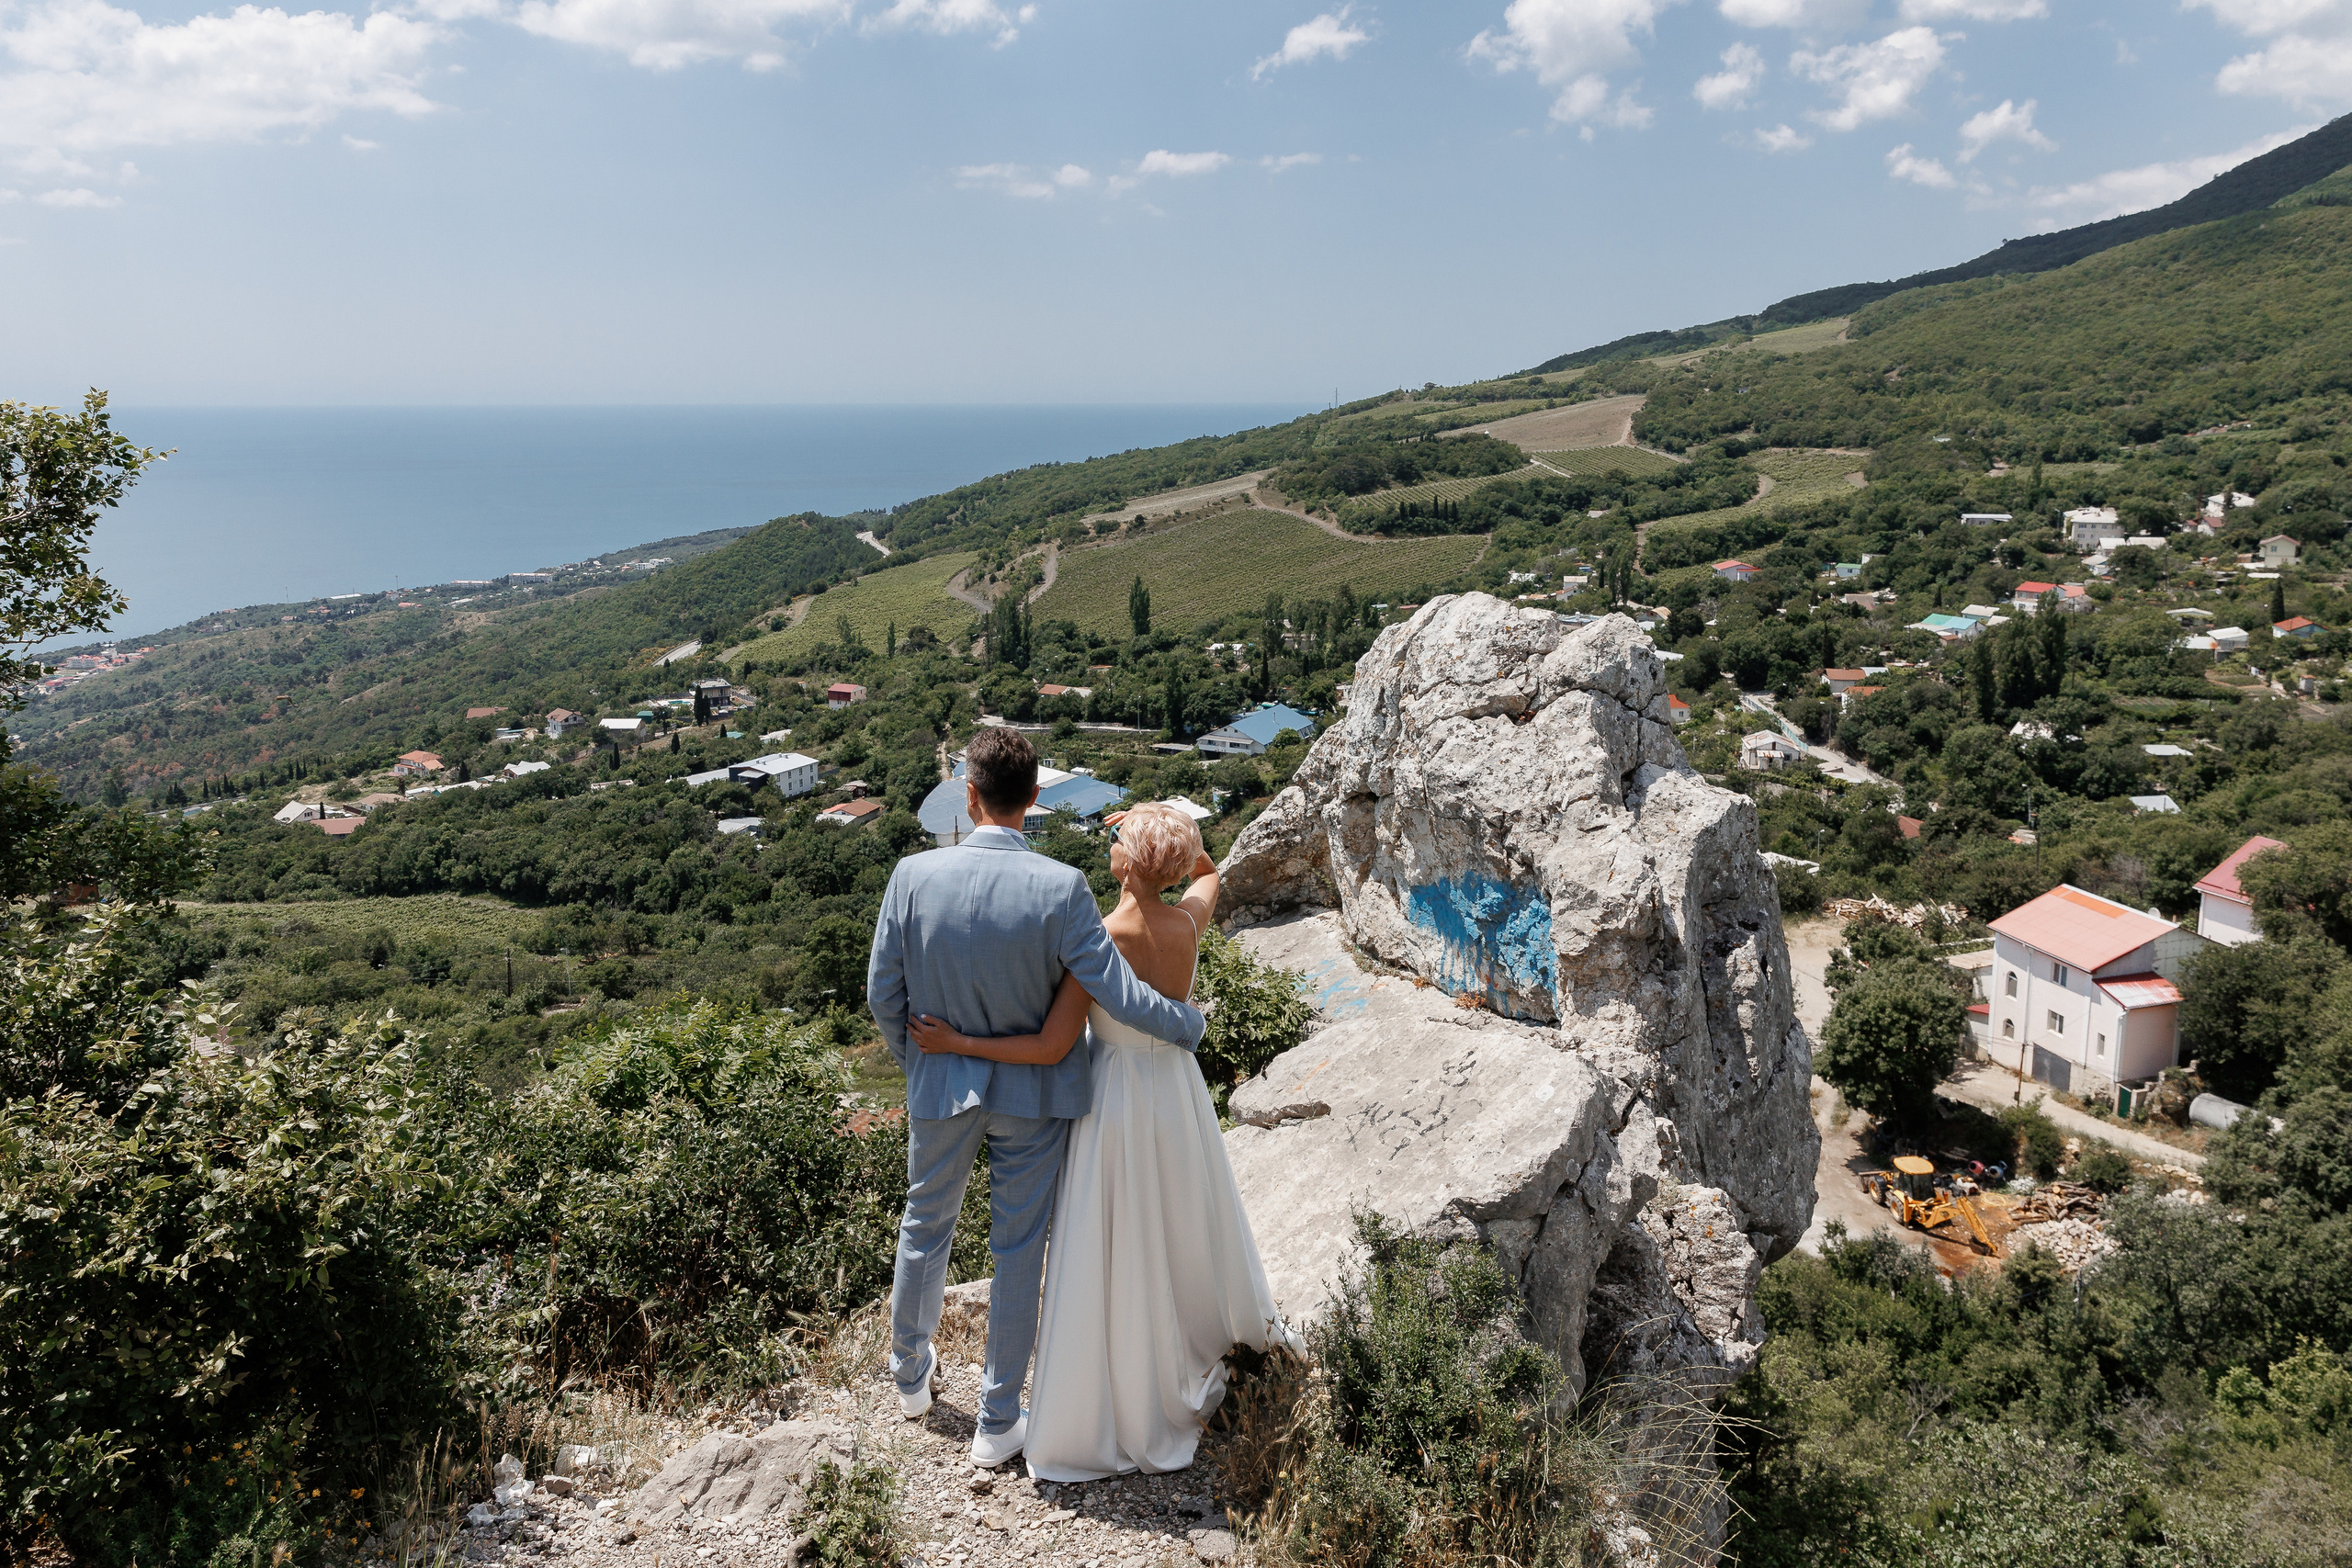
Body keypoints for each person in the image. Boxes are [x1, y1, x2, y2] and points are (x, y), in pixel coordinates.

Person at [909, 802, 1296, 1482]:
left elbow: (1051, 1043)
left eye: (1117, 838)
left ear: (1132, 859)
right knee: (1179, 1226)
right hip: (1175, 1091)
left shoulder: (1102, 936)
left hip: (1113, 1097)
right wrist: (1169, 823)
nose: (1107, 842)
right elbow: (1207, 871)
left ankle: (1122, 1378)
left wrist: (958, 1042)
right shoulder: (1188, 921)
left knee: (1117, 1237)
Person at [868, 729, 1207, 1470]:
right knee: (1018, 1249)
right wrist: (1189, 1023)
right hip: (1034, 1094)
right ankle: (997, 1420)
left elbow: (881, 994)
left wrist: (923, 1064)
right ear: (1035, 798)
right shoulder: (1062, 887)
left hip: (940, 1084)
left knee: (925, 1224)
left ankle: (910, 1377)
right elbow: (1117, 992)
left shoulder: (911, 876)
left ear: (969, 793)